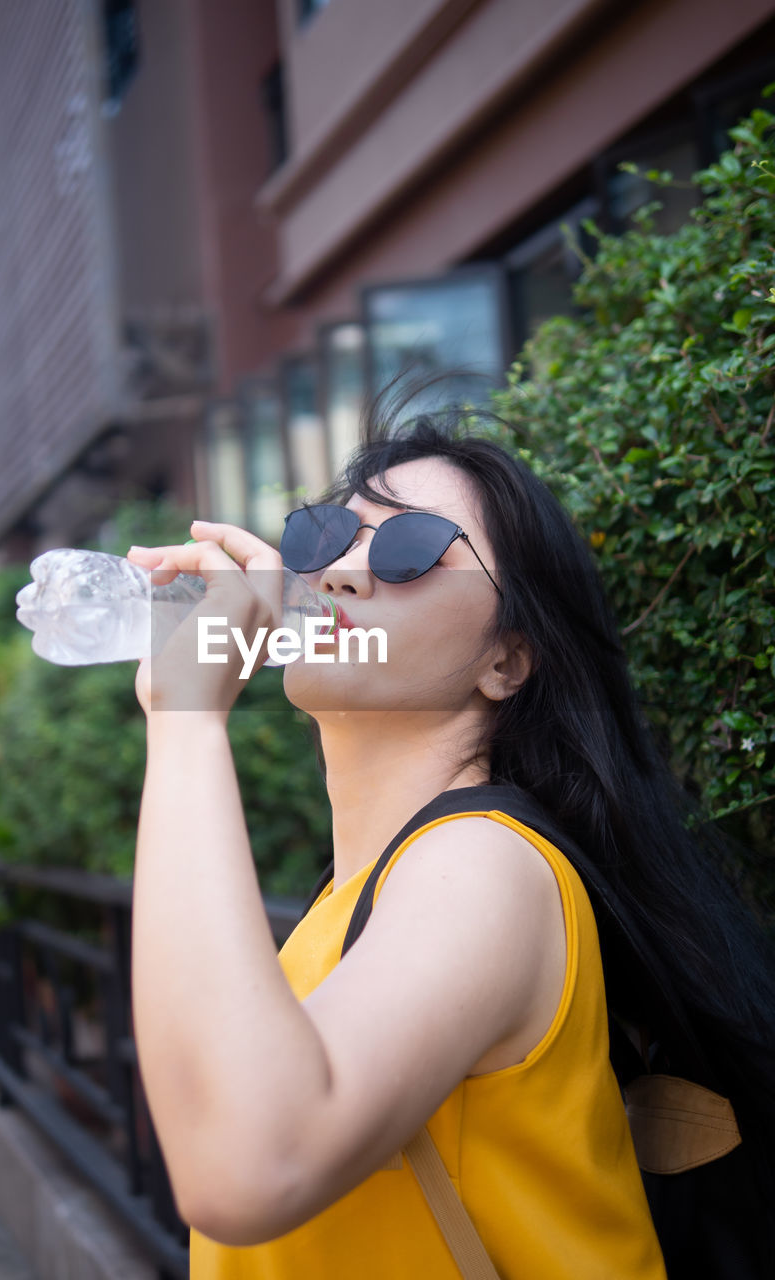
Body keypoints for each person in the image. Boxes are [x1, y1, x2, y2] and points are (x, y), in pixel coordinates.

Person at [125, 397, 775, 1279]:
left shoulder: (486, 864)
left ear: (506, 659)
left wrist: (189, 719)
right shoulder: (360, 899)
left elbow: (248, 1163)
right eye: (324, 537)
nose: (345, 573)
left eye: (409, 549)